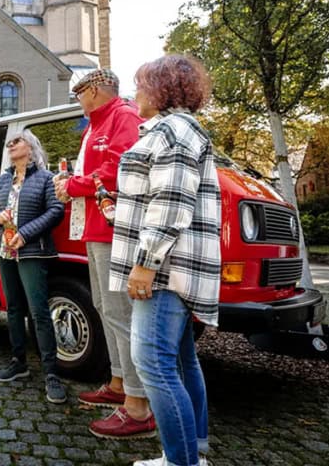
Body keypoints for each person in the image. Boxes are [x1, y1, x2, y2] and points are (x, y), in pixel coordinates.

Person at [110, 55, 220, 466]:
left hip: (165, 270)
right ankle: (196, 449)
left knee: (153, 364)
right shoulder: (182, 131)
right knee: (180, 359)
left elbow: (171, 203)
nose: (134, 93)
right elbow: (163, 198)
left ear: (161, 90)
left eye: (140, 85)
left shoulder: (170, 132)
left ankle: (181, 461)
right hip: (177, 265)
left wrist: (147, 262)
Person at [53, 69, 153, 439]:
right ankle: (117, 381)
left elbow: (120, 170)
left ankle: (138, 404)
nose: (78, 100)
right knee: (104, 305)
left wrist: (72, 185)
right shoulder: (96, 123)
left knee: (120, 311)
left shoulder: (122, 116)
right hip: (96, 227)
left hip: (115, 228)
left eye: (79, 93)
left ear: (94, 90)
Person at [0, 130, 66, 403]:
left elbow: (56, 211)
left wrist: (26, 233)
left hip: (31, 251)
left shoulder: (46, 178)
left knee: (39, 311)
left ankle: (52, 374)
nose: (11, 144)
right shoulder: (4, 178)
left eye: (16, 141)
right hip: (4, 251)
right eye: (10, 142)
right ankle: (18, 361)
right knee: (14, 308)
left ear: (31, 148)